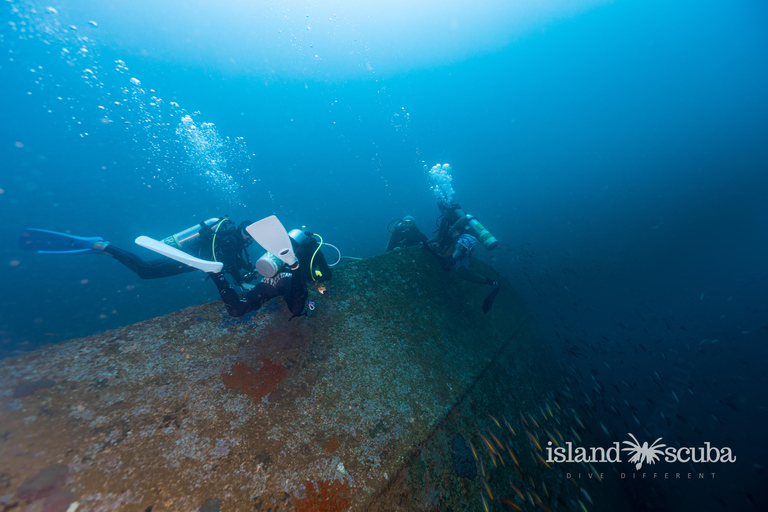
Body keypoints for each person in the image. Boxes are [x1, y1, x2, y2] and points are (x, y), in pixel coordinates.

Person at [208, 227, 331, 320]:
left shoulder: (278, 248)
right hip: (290, 280)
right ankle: (295, 266)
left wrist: (254, 274)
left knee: (236, 310)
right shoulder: (314, 252)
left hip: (271, 280)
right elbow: (327, 275)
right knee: (296, 309)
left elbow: (267, 266)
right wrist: (315, 277)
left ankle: (216, 275)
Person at [425, 202, 500, 313]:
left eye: (443, 206)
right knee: (462, 272)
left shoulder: (455, 211)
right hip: (458, 243)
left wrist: (453, 228)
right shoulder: (444, 221)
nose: (443, 209)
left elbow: (463, 218)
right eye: (441, 208)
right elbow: (439, 236)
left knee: (460, 245)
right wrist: (426, 243)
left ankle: (449, 261)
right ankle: (493, 283)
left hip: (468, 237)